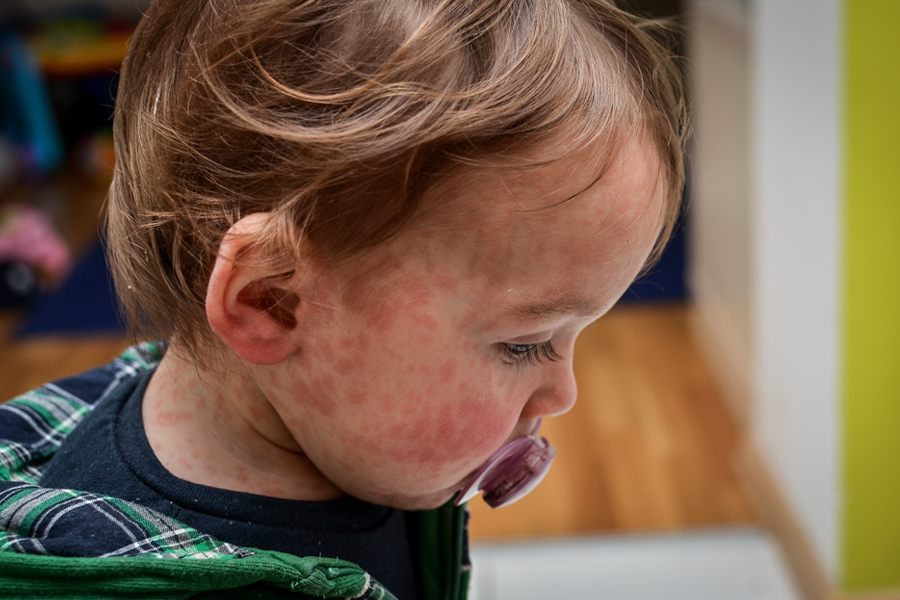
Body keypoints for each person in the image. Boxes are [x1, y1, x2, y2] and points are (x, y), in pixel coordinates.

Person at [0, 0, 686, 598]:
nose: (563, 394)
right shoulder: (125, 578)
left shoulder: (359, 443)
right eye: (523, 343)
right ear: (273, 300)